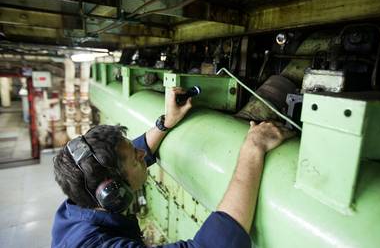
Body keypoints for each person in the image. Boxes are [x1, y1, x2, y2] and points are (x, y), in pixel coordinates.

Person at [51, 88, 294, 248]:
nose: (142, 154)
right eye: (136, 159)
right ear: (113, 194)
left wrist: (166, 122)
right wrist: (252, 149)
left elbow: (133, 154)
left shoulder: (77, 204)